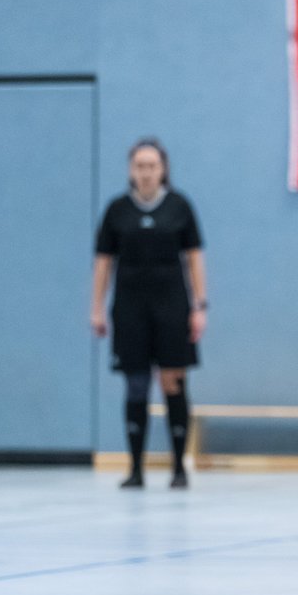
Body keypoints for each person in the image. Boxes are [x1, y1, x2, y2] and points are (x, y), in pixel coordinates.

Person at [91, 138, 207, 490]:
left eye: (152, 166)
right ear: (131, 170)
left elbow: (194, 257)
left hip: (172, 306)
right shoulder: (116, 211)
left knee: (172, 380)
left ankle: (178, 468)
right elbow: (103, 263)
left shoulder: (179, 207)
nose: (145, 172)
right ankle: (136, 469)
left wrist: (199, 305)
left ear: (163, 169)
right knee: (136, 382)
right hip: (130, 307)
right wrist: (97, 307)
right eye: (139, 166)